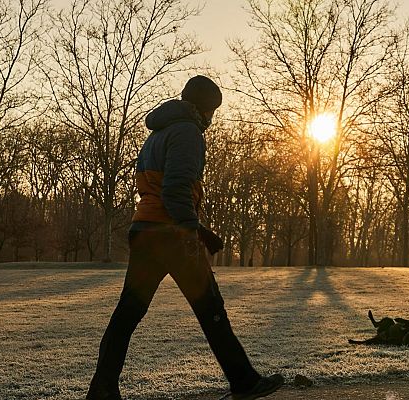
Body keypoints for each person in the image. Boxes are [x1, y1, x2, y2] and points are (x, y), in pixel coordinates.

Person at [86, 75, 284, 400]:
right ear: (202, 109)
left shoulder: (157, 133)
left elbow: (157, 187)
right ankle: (244, 382)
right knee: (210, 307)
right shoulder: (187, 132)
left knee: (128, 312)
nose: (211, 119)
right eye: (211, 111)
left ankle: (102, 389)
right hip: (171, 235)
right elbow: (176, 189)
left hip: (145, 230)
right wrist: (199, 230)